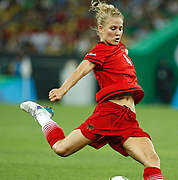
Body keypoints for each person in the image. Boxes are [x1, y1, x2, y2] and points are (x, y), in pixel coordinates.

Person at [20, 1, 164, 180]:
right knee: (61, 148)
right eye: (113, 28)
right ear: (101, 28)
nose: (118, 32)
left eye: (120, 28)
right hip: (109, 115)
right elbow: (81, 69)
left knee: (152, 160)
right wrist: (62, 90)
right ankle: (42, 116)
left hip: (128, 120)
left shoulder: (119, 51)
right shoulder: (101, 50)